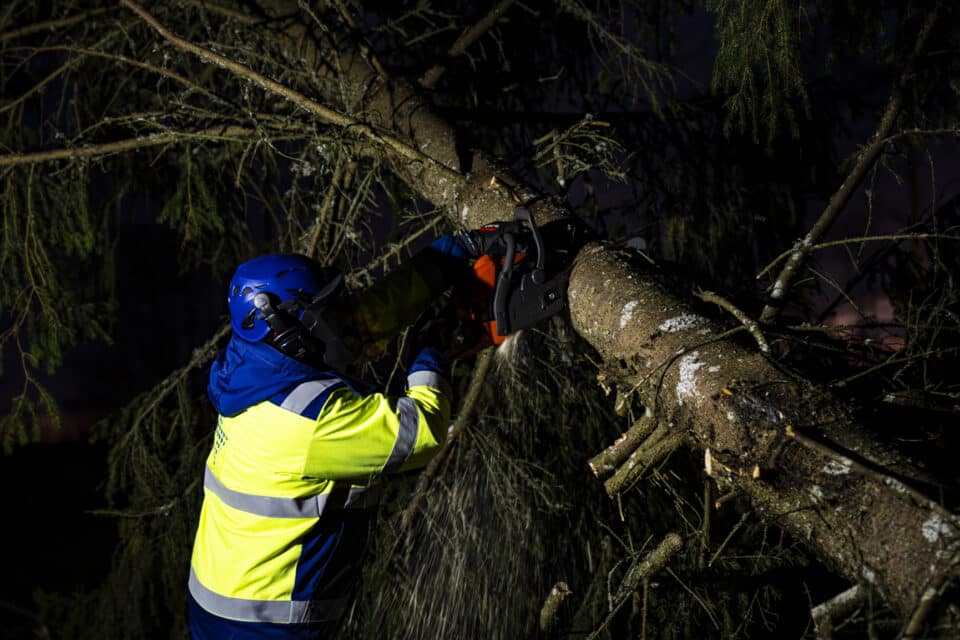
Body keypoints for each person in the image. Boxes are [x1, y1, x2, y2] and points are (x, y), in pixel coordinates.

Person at [187, 242, 469, 639]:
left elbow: (361, 322)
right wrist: (433, 352)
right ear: (283, 323)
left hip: (218, 603)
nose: (337, 320)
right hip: (265, 627)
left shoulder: (253, 363)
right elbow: (421, 430)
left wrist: (449, 257)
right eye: (324, 313)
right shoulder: (303, 422)